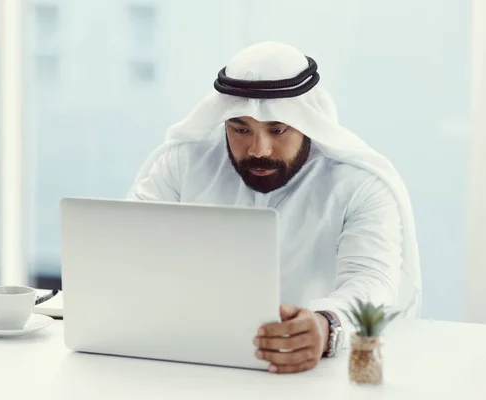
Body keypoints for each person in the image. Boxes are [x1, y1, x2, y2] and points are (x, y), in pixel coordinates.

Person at [127, 42, 422, 374]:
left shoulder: (360, 185)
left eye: (277, 129)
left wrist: (327, 324)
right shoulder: (182, 164)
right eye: (239, 129)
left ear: (307, 120)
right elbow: (130, 251)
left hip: (313, 376)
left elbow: (372, 279)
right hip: (186, 362)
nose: (257, 149)